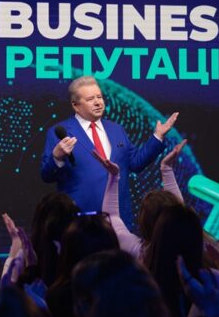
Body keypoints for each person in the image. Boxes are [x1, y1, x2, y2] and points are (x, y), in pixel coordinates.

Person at [40, 75, 178, 225]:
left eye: (99, 97)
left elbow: (135, 163)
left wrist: (157, 136)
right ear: (75, 105)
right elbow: (47, 176)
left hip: (119, 220)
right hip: (80, 221)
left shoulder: (116, 129)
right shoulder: (60, 132)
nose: (98, 102)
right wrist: (57, 158)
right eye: (90, 99)